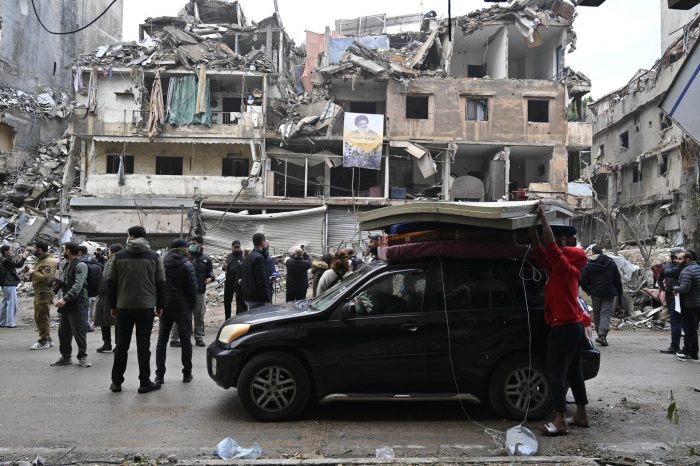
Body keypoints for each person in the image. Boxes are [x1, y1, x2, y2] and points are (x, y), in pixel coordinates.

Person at [530, 203, 589, 436]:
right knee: (574, 371)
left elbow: (551, 247)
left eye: (562, 254)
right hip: (573, 327)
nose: (557, 254)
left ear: (567, 258)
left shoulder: (566, 270)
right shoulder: (560, 270)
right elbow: (542, 253)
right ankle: (581, 415)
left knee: (556, 372)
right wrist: (531, 231)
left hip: (564, 328)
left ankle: (559, 420)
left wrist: (543, 219)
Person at [108, 226, 165, 394]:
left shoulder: (118, 257)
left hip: (123, 307)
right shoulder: (154, 257)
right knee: (143, 346)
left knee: (121, 346)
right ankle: (144, 382)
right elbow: (161, 283)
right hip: (146, 307)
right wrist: (160, 305)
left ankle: (117, 382)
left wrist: (113, 305)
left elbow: (111, 283)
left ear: (131, 237)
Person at [155, 239, 198, 385]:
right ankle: (187, 373)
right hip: (182, 307)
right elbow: (192, 288)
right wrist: (191, 306)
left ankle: (159, 375)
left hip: (166, 306)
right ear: (182, 249)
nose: (188, 250)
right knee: (186, 341)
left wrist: (159, 304)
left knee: (162, 340)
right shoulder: (187, 264)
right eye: (187, 248)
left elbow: (158, 285)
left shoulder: (162, 263)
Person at [51, 242, 91, 368]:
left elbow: (78, 285)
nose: (63, 251)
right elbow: (66, 281)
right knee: (63, 331)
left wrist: (65, 299)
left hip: (78, 303)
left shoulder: (81, 265)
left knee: (79, 331)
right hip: (68, 303)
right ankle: (66, 357)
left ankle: (83, 357)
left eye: (64, 249)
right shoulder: (67, 264)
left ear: (68, 250)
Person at [170, 235, 214, 348]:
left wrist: (210, 278)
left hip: (199, 292)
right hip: (184, 293)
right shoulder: (184, 257)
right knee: (181, 315)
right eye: (190, 243)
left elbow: (210, 273)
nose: (191, 245)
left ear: (200, 244)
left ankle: (198, 338)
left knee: (199, 315)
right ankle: (174, 338)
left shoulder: (206, 259)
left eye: (194, 243)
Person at [580, 245, 623, 346]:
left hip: (596, 293)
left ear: (594, 252)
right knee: (606, 313)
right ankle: (602, 336)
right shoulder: (611, 263)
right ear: (602, 252)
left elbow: (582, 279)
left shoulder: (590, 264)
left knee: (597, 313)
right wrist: (619, 294)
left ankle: (601, 335)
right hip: (609, 293)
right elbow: (618, 279)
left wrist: (588, 290)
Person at [94, 244, 123, 353]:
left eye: (109, 251)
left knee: (115, 321)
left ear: (113, 252)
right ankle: (108, 343)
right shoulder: (109, 262)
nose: (108, 254)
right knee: (104, 320)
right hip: (105, 294)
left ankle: (116, 344)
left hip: (113, 295)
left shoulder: (117, 262)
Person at [29, 241, 57, 349]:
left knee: (41, 316)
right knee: (40, 316)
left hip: (43, 292)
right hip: (39, 291)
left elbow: (46, 278)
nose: (33, 250)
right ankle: (47, 338)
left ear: (39, 249)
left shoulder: (48, 261)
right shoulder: (41, 260)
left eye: (34, 248)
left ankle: (43, 341)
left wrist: (33, 272)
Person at [673, 250, 700, 362]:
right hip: (697, 303)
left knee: (689, 329)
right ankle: (690, 352)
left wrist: (675, 288)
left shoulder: (687, 271)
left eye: (680, 259)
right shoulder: (697, 267)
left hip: (689, 304)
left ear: (687, 259)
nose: (677, 261)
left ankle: (690, 353)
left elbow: (684, 288)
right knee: (693, 329)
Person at [658, 248, 684, 354]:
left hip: (677, 296)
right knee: (680, 322)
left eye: (678, 258)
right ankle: (688, 348)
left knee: (676, 322)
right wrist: (665, 290)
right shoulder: (689, 266)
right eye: (675, 257)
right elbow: (660, 280)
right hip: (672, 295)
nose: (676, 259)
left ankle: (676, 346)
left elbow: (666, 273)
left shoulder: (679, 268)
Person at [240, 233, 272, 309]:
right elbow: (261, 280)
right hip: (258, 299)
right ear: (262, 242)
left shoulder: (250, 256)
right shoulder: (259, 258)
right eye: (265, 241)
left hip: (250, 296)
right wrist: (267, 298)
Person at [0, 245, 29, 328]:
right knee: (12, 303)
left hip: (6, 283)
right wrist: (24, 257)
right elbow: (18, 265)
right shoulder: (6, 260)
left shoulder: (3, 259)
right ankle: (10, 323)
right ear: (6, 252)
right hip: (8, 283)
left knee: (5, 303)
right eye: (11, 250)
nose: (12, 251)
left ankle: (2, 322)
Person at [77, 245, 98, 333]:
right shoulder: (91, 260)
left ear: (80, 252)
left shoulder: (80, 261)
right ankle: (86, 325)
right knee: (87, 308)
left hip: (82, 288)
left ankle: (83, 326)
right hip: (90, 287)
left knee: (82, 309)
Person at [222, 240, 245, 319]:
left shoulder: (243, 256)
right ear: (232, 247)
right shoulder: (229, 256)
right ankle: (227, 319)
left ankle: (239, 319)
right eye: (235, 247)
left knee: (240, 302)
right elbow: (225, 268)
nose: (236, 249)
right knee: (227, 301)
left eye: (238, 247)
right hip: (229, 282)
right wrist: (224, 267)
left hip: (239, 283)